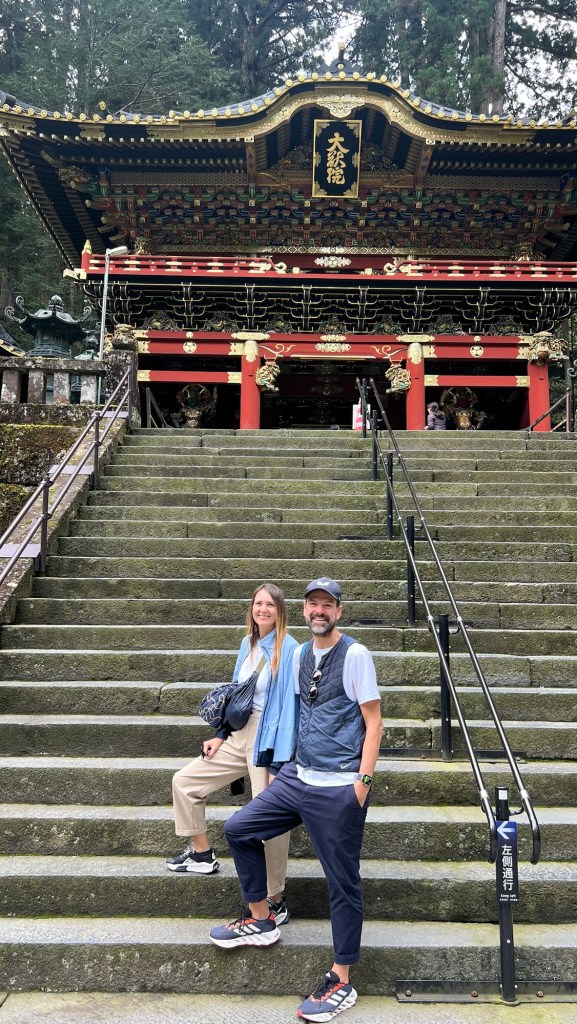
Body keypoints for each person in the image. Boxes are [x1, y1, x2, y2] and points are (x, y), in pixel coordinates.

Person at [209, 576, 383, 1023]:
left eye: (327, 604)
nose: (319, 611)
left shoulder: (356, 655)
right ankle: (261, 918)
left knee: (342, 882)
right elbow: (292, 711)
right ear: (304, 610)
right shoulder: (301, 653)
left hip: (338, 787)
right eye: (312, 604)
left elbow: (374, 723)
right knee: (239, 829)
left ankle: (341, 979)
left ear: (339, 611)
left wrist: (362, 783)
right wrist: (280, 764)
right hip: (297, 776)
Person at [166, 583, 299, 925]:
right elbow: (236, 696)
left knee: (271, 817)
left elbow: (290, 708)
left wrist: (279, 762)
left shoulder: (289, 648)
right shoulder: (247, 643)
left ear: (280, 611)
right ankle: (201, 854)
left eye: (270, 604)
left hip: (268, 736)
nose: (263, 609)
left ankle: (276, 898)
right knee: (185, 781)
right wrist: (220, 735)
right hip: (240, 734)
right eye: (258, 603)